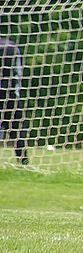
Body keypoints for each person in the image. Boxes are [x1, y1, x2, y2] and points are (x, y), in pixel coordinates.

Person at [0, 36, 28, 165]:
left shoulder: (10, 46)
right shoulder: (11, 46)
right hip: (10, 93)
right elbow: (18, 72)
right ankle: (23, 161)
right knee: (17, 130)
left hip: (8, 93)